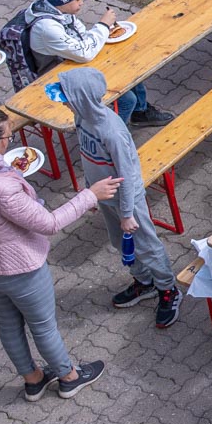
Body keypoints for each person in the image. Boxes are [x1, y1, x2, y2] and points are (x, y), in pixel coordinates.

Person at [0, 106, 116, 400]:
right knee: (43, 327)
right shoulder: (1, 187)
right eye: (8, 136)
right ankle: (69, 377)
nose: (11, 141)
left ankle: (33, 380)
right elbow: (50, 223)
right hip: (21, 270)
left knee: (8, 322)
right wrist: (90, 195)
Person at [57, 68, 181, 328]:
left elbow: (125, 174)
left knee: (146, 245)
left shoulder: (111, 131)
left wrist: (127, 214)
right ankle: (144, 282)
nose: (62, 101)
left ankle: (168, 289)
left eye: (66, 96)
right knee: (120, 243)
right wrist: (90, 191)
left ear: (81, 98)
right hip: (105, 196)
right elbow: (87, 157)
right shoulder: (81, 119)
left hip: (127, 199)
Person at [26, 0, 174, 128]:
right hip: (59, 77)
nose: (81, 3)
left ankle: (140, 112)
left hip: (74, 64)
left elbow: (82, 36)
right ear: (61, 1)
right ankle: (109, 138)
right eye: (77, 0)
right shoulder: (47, 27)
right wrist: (103, 26)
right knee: (127, 100)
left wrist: (102, 33)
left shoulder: (60, 12)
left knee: (128, 65)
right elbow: (84, 54)